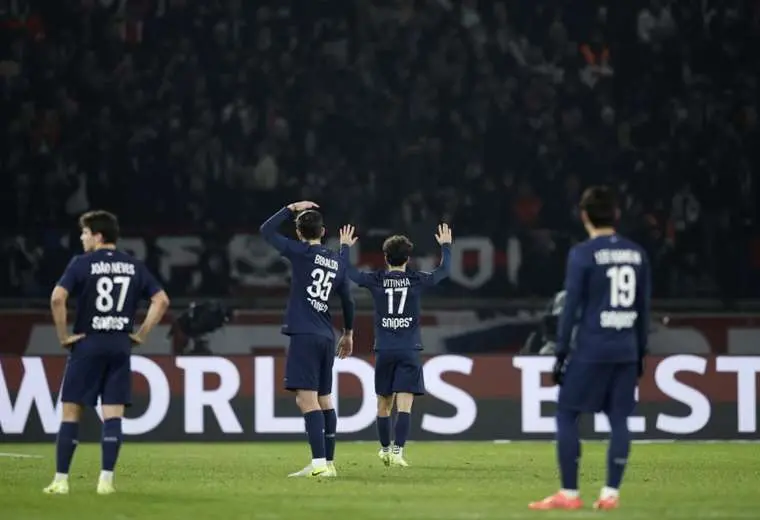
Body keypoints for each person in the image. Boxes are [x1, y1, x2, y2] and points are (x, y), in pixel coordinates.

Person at [529, 186, 651, 511]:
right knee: (620, 420)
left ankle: (569, 494)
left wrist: (560, 354)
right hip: (625, 348)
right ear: (617, 215)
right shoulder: (637, 254)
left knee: (568, 414)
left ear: (584, 216)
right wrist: (639, 353)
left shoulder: (582, 254)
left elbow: (570, 309)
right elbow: (644, 309)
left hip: (592, 348)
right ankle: (610, 494)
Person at [44, 210, 170, 495]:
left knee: (71, 414)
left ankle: (61, 481)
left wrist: (64, 336)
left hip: (88, 343)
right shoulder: (133, 265)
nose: (82, 238)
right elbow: (161, 300)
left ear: (98, 236)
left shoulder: (82, 263)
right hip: (119, 346)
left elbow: (57, 297)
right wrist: (141, 334)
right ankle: (106, 481)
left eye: (85, 233)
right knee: (113, 415)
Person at [338, 223, 452, 466]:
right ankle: (399, 452)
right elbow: (444, 272)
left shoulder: (376, 279)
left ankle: (385, 449)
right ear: (408, 258)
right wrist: (446, 246)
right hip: (409, 349)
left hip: (385, 349)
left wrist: (345, 247)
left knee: (383, 404)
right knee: (405, 405)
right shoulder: (416, 279)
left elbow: (348, 271)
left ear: (386, 257)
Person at [259, 201, 355, 478]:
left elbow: (266, 230)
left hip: (304, 333)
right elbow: (347, 300)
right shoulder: (337, 261)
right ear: (323, 231)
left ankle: (318, 465)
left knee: (306, 401)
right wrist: (348, 333)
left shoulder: (299, 251)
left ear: (300, 234)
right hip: (327, 335)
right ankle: (328, 463)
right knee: (325, 400)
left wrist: (290, 208)